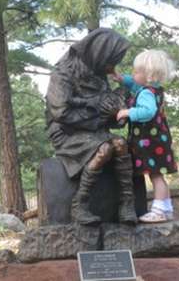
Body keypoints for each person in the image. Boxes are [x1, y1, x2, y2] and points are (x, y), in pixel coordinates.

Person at [45, 28, 138, 226]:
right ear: (99, 53)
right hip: (67, 132)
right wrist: (98, 113)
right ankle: (80, 204)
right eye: (110, 61)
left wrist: (117, 114)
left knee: (120, 144)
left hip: (94, 130)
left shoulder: (97, 73)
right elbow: (61, 113)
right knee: (105, 148)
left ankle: (126, 203)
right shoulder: (62, 74)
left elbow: (104, 109)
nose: (112, 68)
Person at [112, 49, 178, 223]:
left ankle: (159, 211)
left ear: (148, 75)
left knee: (156, 176)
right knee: (158, 176)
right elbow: (135, 85)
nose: (133, 74)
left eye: (136, 72)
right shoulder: (152, 89)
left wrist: (127, 112)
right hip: (157, 141)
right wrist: (122, 79)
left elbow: (148, 111)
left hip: (151, 143)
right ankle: (167, 208)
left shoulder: (146, 93)